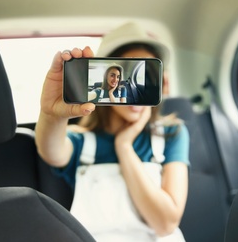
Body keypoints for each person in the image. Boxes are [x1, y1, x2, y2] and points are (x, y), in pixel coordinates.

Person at [35, 22, 190, 241]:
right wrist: (51, 116)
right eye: (126, 74)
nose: (138, 87)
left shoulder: (172, 134)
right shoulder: (82, 140)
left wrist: (124, 147)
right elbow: (50, 150)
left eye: (147, 75)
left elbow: (166, 223)